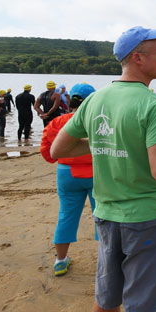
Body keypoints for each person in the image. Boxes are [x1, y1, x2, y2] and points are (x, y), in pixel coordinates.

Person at [51, 26, 156, 312]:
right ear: (138, 58)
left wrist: (100, 142)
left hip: (107, 216)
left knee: (107, 296)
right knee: (138, 307)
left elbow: (59, 149)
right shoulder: (154, 104)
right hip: (147, 218)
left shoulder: (95, 100)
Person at [40, 83, 97, 277]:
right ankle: (108, 260)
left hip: (67, 173)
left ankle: (60, 260)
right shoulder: (98, 122)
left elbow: (48, 154)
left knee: (66, 215)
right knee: (103, 216)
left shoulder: (57, 122)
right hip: (96, 173)